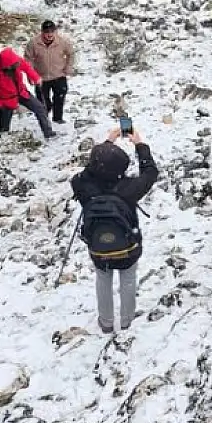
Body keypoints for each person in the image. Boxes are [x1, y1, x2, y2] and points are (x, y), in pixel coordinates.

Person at [70, 126, 159, 334]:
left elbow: (87, 172)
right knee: (128, 280)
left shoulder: (82, 186)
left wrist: (107, 144)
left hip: (97, 246)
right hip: (128, 245)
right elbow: (151, 173)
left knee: (103, 280)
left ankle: (106, 322)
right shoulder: (129, 188)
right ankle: (127, 321)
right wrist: (140, 145)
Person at [0, 47, 55, 139]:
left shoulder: (16, 61)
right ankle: (3, 139)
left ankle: (48, 133)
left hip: (22, 93)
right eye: (14, 65)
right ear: (7, 66)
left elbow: (27, 68)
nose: (18, 65)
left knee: (39, 108)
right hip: (6, 100)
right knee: (4, 123)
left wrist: (36, 78)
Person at [24, 20, 75, 125]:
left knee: (59, 98)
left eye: (52, 31)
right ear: (42, 32)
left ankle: (58, 118)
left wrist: (68, 67)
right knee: (43, 102)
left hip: (59, 75)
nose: (50, 34)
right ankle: (44, 120)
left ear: (55, 31)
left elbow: (71, 54)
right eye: (47, 32)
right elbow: (28, 59)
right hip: (41, 77)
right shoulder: (33, 43)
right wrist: (31, 75)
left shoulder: (62, 41)